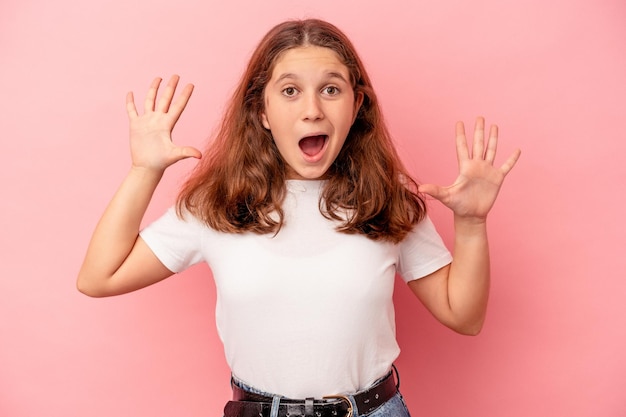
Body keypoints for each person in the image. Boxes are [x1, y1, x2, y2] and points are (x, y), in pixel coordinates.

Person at [77, 18, 520, 417]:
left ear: (356, 104)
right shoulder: (216, 206)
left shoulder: (386, 201)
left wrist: (472, 225)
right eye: (290, 91)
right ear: (262, 112)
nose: (312, 109)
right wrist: (144, 171)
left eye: (331, 89)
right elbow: (99, 278)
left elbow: (464, 316)